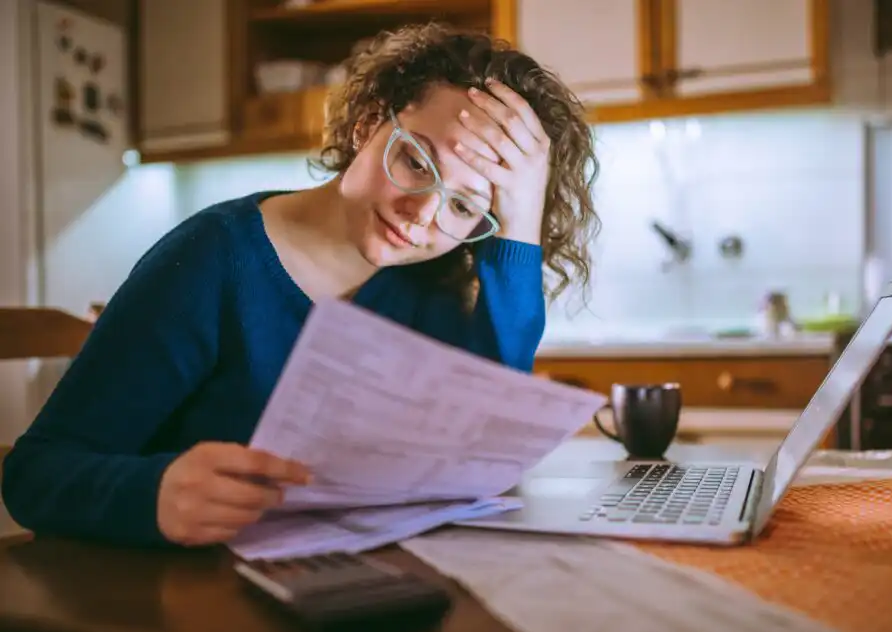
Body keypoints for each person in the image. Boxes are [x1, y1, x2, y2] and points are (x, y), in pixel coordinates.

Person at [1, 23, 600, 549]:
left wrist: (521, 226)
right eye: (417, 162)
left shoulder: (432, 288)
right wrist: (153, 494)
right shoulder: (212, 260)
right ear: (370, 123)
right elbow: (36, 474)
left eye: (465, 206)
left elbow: (485, 459)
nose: (422, 215)